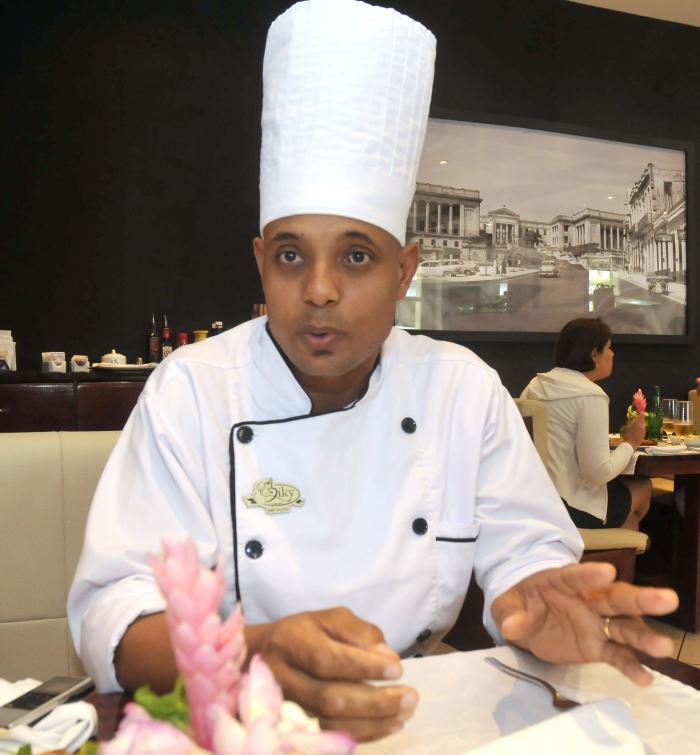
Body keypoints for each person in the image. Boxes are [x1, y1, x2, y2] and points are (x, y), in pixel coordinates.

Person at [68, 0, 676, 743]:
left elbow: (529, 551)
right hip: (232, 723)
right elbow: (115, 612)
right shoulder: (192, 389)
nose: (319, 289)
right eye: (291, 254)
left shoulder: (459, 389)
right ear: (261, 262)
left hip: (414, 714)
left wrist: (538, 600)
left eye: (356, 256)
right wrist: (250, 655)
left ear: (403, 271)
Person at [520, 317, 651, 531]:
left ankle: (611, 546)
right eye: (609, 348)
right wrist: (631, 442)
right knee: (644, 487)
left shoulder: (535, 385)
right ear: (594, 355)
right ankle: (614, 550)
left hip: (535, 501)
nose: (613, 354)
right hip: (572, 507)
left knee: (628, 517)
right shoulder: (590, 395)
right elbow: (598, 472)